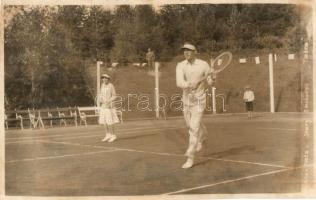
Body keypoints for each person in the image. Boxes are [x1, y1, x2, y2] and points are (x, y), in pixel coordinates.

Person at [176, 43, 214, 169]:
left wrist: (213, 78)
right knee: (190, 126)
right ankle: (203, 134)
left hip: (199, 100)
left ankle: (190, 156)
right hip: (186, 101)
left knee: (193, 128)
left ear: (195, 52)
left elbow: (210, 82)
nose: (186, 52)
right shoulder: (180, 65)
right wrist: (188, 84)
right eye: (184, 51)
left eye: (189, 50)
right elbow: (179, 82)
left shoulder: (204, 65)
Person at [98, 74, 120, 142]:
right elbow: (101, 95)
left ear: (108, 79)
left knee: (110, 121)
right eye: (103, 78)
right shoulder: (102, 85)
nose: (104, 79)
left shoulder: (111, 85)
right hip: (103, 106)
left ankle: (113, 135)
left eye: (105, 78)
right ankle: (108, 134)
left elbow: (114, 96)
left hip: (109, 106)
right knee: (104, 121)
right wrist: (100, 99)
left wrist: (108, 101)